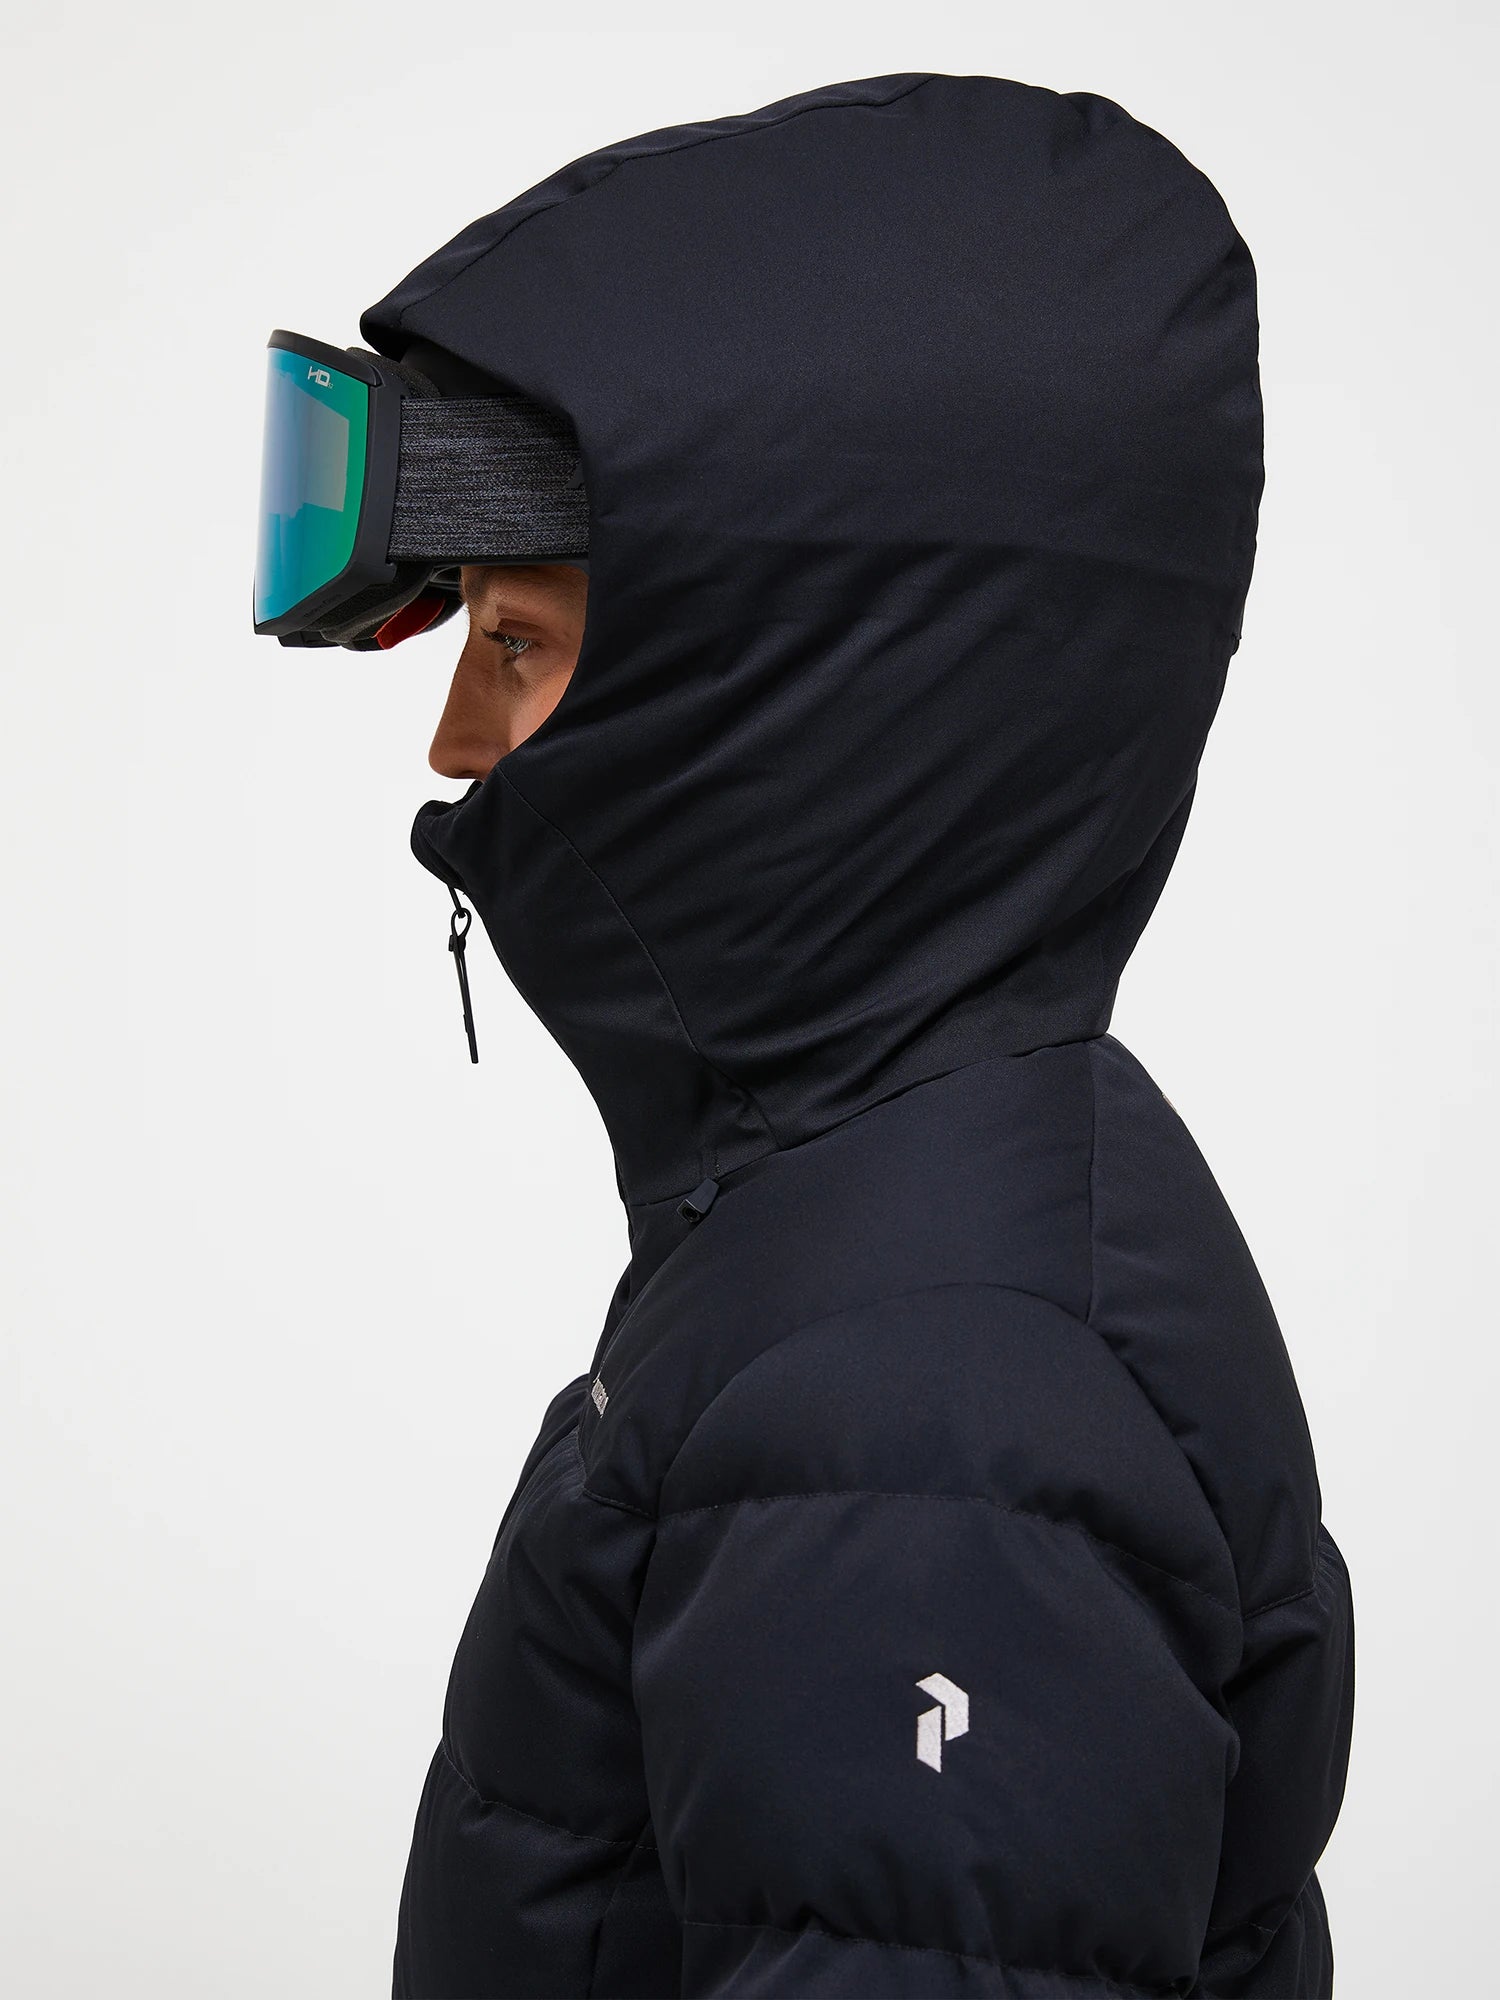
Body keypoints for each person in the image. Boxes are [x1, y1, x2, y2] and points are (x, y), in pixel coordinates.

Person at [367, 74, 1355, 1998]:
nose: (456, 745)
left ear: (802, 687)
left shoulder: (938, 1404)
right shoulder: (884, 1224)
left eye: (517, 641)